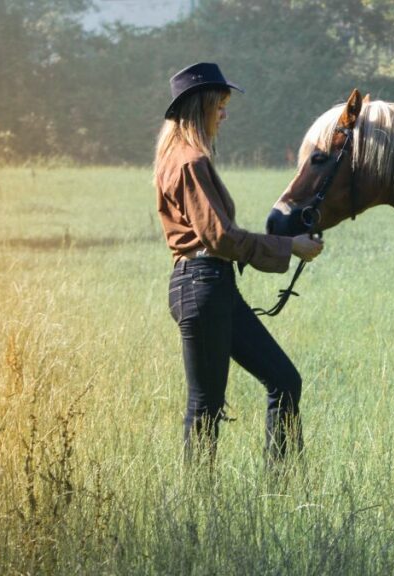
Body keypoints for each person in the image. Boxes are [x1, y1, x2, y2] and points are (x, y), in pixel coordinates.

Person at [153, 62, 323, 462]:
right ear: (201, 107)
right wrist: (289, 248)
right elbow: (219, 237)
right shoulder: (189, 161)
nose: (224, 114)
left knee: (283, 379)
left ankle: (280, 485)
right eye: (220, 106)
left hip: (211, 286)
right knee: (205, 406)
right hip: (203, 285)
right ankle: (199, 504)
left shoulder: (181, 156)